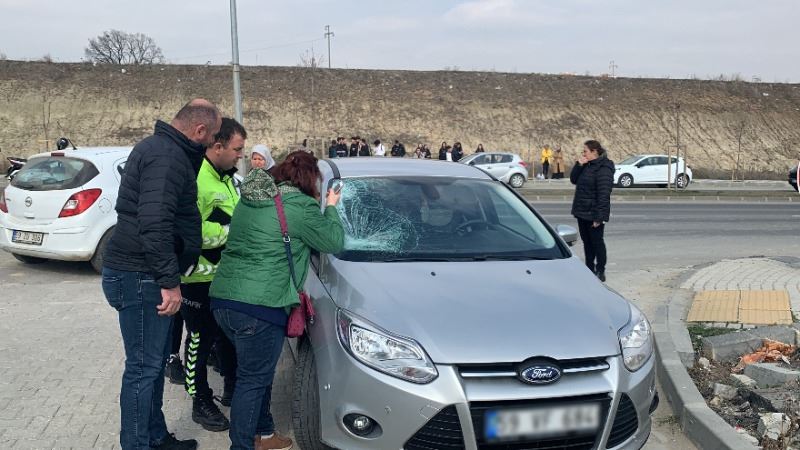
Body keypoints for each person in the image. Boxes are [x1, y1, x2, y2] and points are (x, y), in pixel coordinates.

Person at [102, 98, 221, 450]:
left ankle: (155, 438)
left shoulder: (163, 150)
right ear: (199, 130)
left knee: (151, 367)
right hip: (141, 276)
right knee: (142, 369)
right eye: (212, 136)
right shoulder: (167, 157)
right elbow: (154, 224)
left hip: (143, 273)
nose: (212, 142)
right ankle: (138, 444)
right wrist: (169, 282)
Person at [209, 151, 345, 450]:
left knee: (256, 374)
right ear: (310, 181)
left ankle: (265, 433)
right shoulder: (302, 207)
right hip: (260, 305)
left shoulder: (250, 200)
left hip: (223, 300)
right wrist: (332, 207)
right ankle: (242, 446)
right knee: (252, 380)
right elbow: (334, 241)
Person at [179, 118, 247, 433]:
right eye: (237, 149)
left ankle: (231, 387)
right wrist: (232, 232)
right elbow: (189, 231)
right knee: (199, 340)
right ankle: (200, 401)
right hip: (198, 279)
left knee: (228, 336)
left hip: (228, 276)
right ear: (217, 147)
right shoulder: (195, 178)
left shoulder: (229, 178)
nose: (241, 156)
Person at [570, 140, 614, 282]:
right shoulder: (586, 165)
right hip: (582, 211)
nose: (583, 154)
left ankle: (600, 270)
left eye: (585, 151)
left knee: (597, 243)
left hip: (594, 213)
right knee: (587, 243)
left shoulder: (604, 168)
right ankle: (589, 268)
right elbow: (573, 179)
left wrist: (599, 217)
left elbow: (604, 194)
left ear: (594, 152)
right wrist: (578, 165)